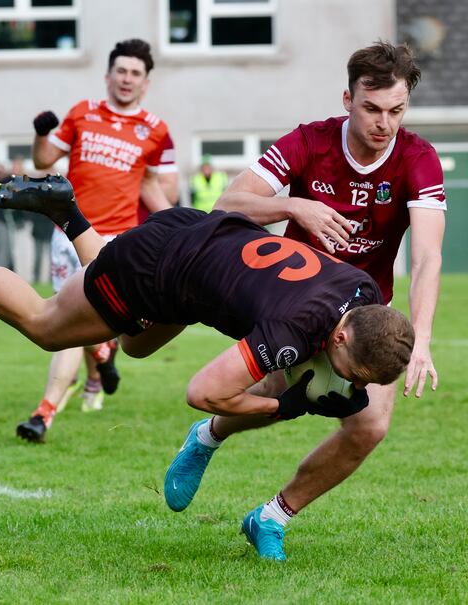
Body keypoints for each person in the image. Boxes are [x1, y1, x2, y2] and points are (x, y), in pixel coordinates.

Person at [0, 177, 414, 519]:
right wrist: (291, 405)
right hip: (159, 268)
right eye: (357, 373)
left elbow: (306, 326)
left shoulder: (362, 294)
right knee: (44, 324)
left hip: (198, 245)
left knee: (134, 347)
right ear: (340, 335)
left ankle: (69, 213)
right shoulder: (297, 329)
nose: (356, 385)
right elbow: (203, 392)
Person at [168, 41, 444, 560]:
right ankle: (206, 437)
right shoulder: (308, 142)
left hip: (363, 314)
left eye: (396, 110)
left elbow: (429, 255)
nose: (384, 123)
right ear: (347, 98)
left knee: (369, 426)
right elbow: (230, 203)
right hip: (294, 301)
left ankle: (271, 517)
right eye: (371, 108)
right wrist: (296, 205)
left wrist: (422, 338)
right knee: (276, 397)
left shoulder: (418, 158)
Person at [19, 38, 178, 442]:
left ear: (146, 82)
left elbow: (159, 191)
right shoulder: (82, 113)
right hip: (67, 233)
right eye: (121, 71)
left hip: (118, 242)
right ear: (108, 75)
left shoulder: (156, 131)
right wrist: (41, 133)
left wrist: (179, 224)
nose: (127, 79)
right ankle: (87, 370)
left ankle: (53, 403)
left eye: (135, 73)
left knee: (79, 319)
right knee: (66, 318)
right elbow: (42, 161)